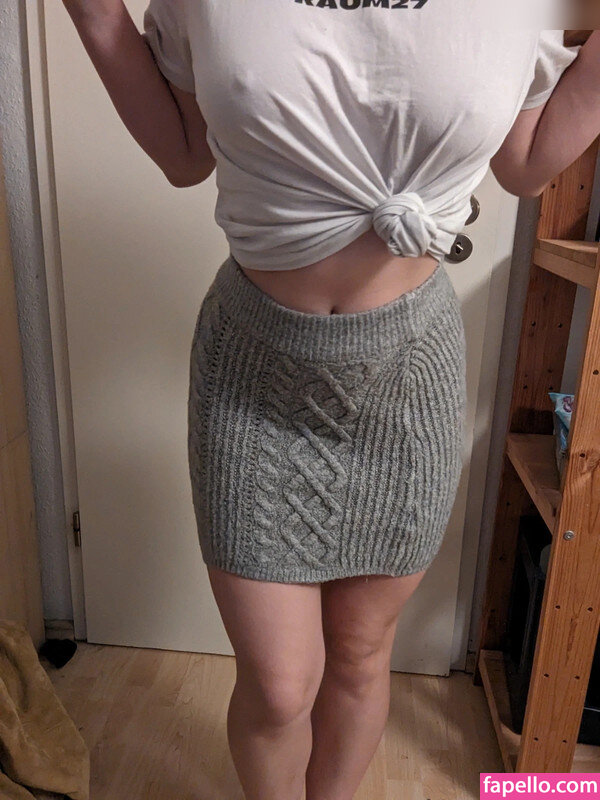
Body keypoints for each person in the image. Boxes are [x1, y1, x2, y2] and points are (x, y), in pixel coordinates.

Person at [62, 3, 599, 798]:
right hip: (254, 372)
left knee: (359, 654)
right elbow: (184, 154)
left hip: (406, 380)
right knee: (279, 684)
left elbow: (523, 165)